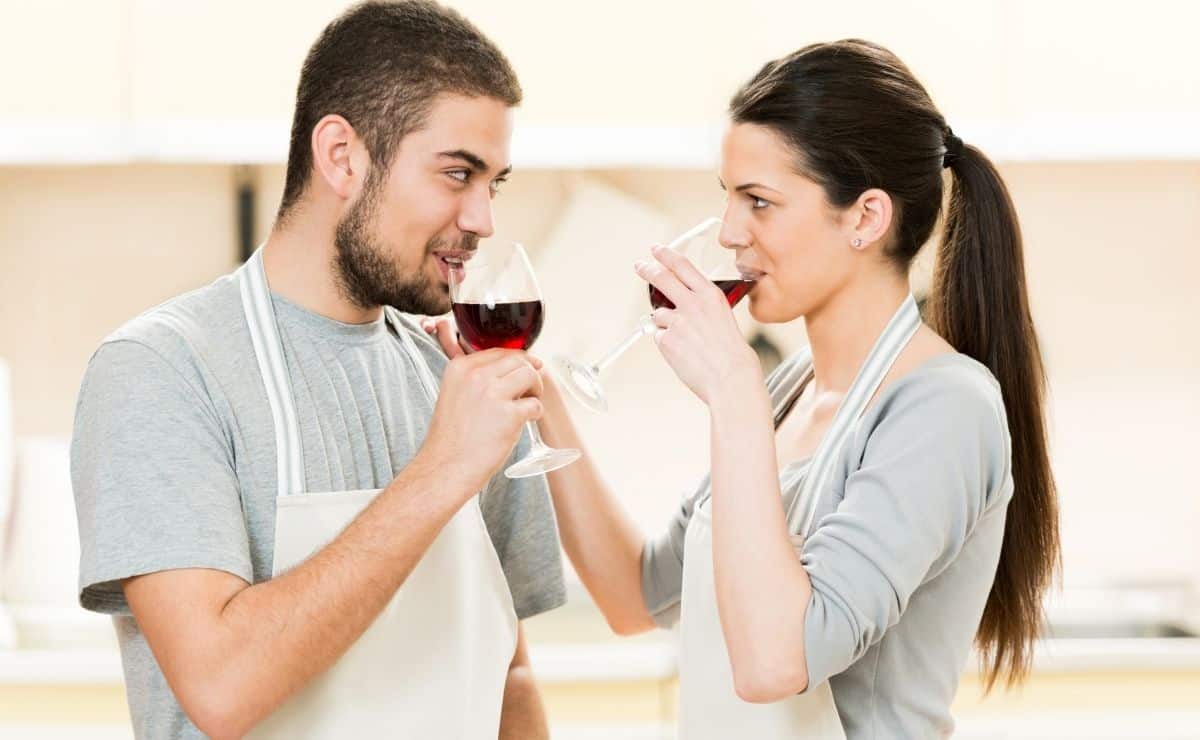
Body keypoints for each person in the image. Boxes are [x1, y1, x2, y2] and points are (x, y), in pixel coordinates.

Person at [427, 38, 1060, 739]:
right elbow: (633, 596)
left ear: (866, 218)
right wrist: (539, 400)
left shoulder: (945, 408)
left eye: (759, 202)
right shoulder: (793, 389)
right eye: (728, 198)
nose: (730, 234)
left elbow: (773, 663)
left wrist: (733, 395)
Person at [69, 2, 564, 738]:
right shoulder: (162, 371)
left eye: (494, 183)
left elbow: (509, 675)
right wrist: (442, 469)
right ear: (341, 156)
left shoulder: (453, 372)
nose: (484, 218)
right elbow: (221, 684)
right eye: (457, 174)